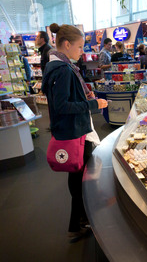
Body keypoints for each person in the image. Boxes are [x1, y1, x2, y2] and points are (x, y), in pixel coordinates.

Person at [41, 23, 108, 242]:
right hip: (76, 132)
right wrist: (94, 105)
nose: (82, 52)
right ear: (67, 44)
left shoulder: (58, 66)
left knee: (78, 175)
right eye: (80, 47)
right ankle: (81, 222)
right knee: (82, 178)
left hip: (73, 131)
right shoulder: (63, 69)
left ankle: (79, 222)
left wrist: (85, 99)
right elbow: (62, 106)